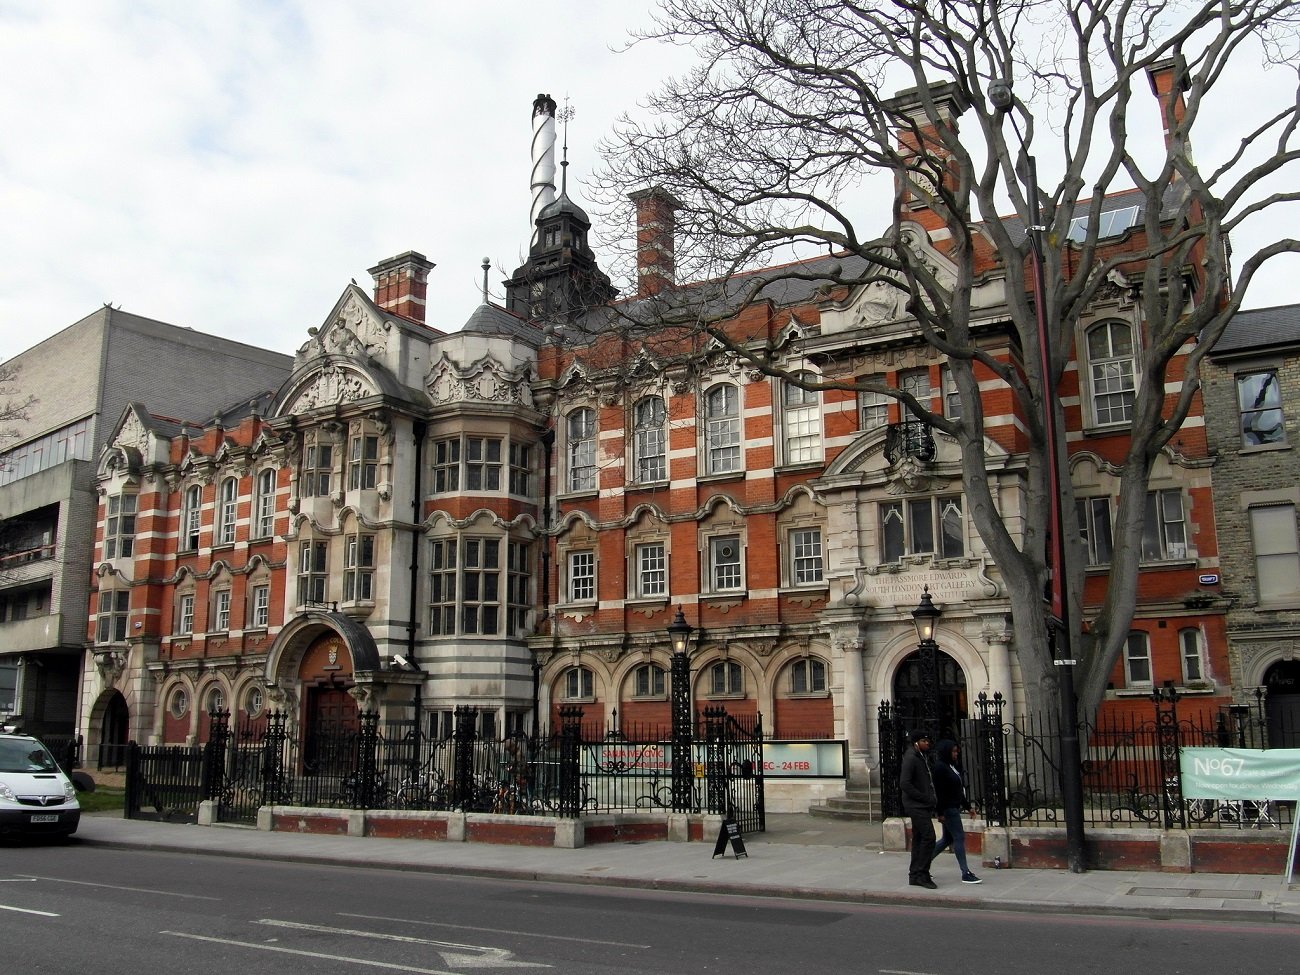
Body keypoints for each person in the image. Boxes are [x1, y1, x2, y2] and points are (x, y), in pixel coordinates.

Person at [931, 739, 982, 884]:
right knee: (959, 837)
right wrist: (939, 812)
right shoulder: (940, 768)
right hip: (948, 809)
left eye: (956, 751)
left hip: (953, 807)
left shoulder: (952, 766)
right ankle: (965, 872)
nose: (956, 754)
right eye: (953, 751)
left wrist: (968, 807)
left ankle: (922, 864)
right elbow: (939, 792)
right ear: (946, 752)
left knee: (947, 839)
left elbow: (958, 790)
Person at [899, 729, 937, 889]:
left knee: (920, 838)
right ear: (916, 743)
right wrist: (924, 797)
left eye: (927, 740)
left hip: (920, 804)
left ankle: (915, 874)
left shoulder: (919, 756)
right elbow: (905, 783)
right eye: (923, 741)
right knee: (929, 837)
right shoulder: (911, 758)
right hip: (916, 805)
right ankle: (922, 873)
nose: (927, 743)